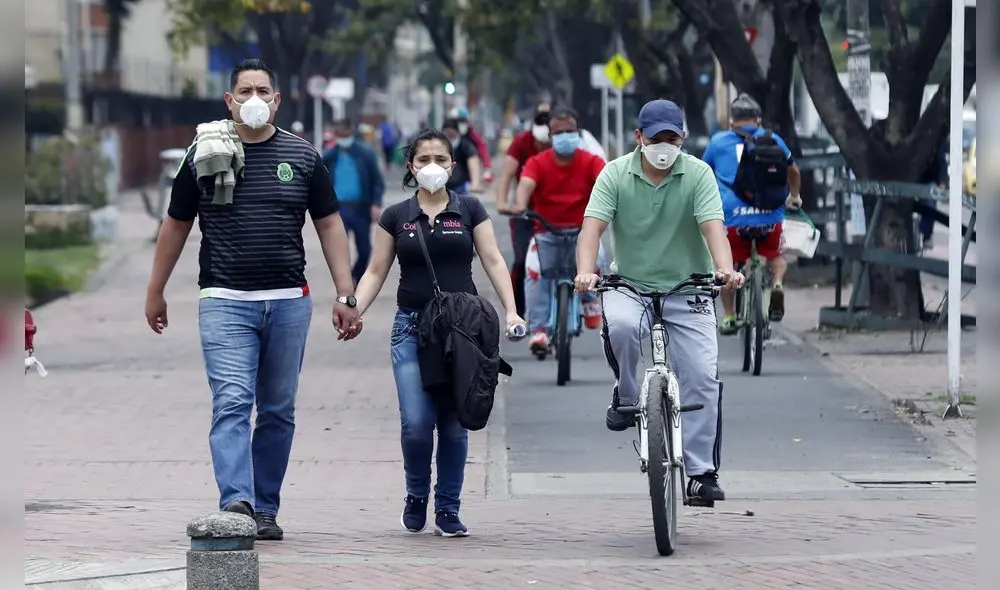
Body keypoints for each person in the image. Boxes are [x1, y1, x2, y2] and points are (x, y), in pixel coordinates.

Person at [143, 58, 361, 541]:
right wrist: (155, 290)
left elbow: (329, 224)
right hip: (224, 300)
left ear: (277, 100)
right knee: (233, 401)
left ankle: (265, 507)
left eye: (263, 90)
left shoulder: (302, 156)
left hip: (288, 301)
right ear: (229, 100)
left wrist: (346, 294)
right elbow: (176, 223)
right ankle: (236, 501)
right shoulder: (205, 153)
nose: (254, 99)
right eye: (245, 91)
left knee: (278, 409)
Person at [353, 128, 526, 537]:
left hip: (461, 332)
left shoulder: (469, 210)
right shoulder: (397, 216)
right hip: (411, 330)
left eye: (442, 159)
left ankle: (448, 507)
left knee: (452, 423)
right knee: (416, 422)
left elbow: (494, 261)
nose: (433, 166)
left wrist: (513, 311)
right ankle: (416, 495)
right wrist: (354, 309)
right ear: (411, 167)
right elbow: (376, 271)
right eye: (424, 159)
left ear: (452, 165)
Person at [574, 99, 743, 504]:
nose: (664, 145)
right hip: (628, 284)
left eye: (673, 137)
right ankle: (628, 395)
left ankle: (701, 472)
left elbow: (714, 229)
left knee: (702, 376)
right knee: (625, 328)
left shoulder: (698, 174)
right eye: (657, 138)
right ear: (639, 138)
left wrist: (725, 269)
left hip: (690, 287)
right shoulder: (614, 174)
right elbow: (592, 229)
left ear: (682, 138)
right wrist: (586, 270)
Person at [510, 105, 607, 355]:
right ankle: (539, 329)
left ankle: (589, 299)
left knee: (599, 256)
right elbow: (525, 186)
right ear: (550, 137)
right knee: (533, 272)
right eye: (559, 132)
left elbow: (608, 183)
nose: (565, 135)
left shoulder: (591, 161)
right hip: (545, 232)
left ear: (579, 132)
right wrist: (519, 204)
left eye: (570, 131)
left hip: (583, 232)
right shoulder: (536, 163)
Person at [701, 95, 801, 334]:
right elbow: (794, 171)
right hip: (770, 216)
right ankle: (777, 283)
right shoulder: (773, 139)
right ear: (758, 120)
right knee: (776, 257)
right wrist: (794, 197)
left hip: (733, 218)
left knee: (728, 266)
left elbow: (702, 174)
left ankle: (729, 316)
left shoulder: (717, 142)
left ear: (731, 120)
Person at [494, 105, 553, 316]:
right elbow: (507, 172)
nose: (544, 146)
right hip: (525, 212)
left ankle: (581, 303)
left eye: (548, 143)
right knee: (521, 261)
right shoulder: (521, 142)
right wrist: (502, 202)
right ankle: (516, 311)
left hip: (557, 211)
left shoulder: (564, 143)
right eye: (540, 143)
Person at [322, 118, 386, 285]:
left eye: (345, 132)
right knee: (339, 249)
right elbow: (321, 182)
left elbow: (377, 181)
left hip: (360, 209)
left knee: (365, 250)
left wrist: (376, 203)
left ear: (351, 131)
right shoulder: (330, 155)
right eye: (339, 133)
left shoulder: (365, 153)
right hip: (337, 210)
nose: (342, 136)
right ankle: (345, 282)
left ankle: (357, 275)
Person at [442, 118, 482, 195]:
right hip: (442, 185)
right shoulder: (437, 145)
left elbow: (473, 162)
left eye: (452, 134)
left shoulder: (465, 145)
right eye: (447, 134)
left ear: (457, 132)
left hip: (461, 185)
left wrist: (475, 183)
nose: (449, 136)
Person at [454, 107, 494, 183]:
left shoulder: (473, 134)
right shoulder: (453, 133)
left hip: (470, 169)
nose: (462, 123)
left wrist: (487, 169)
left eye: (464, 121)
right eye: (460, 121)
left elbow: (483, 149)